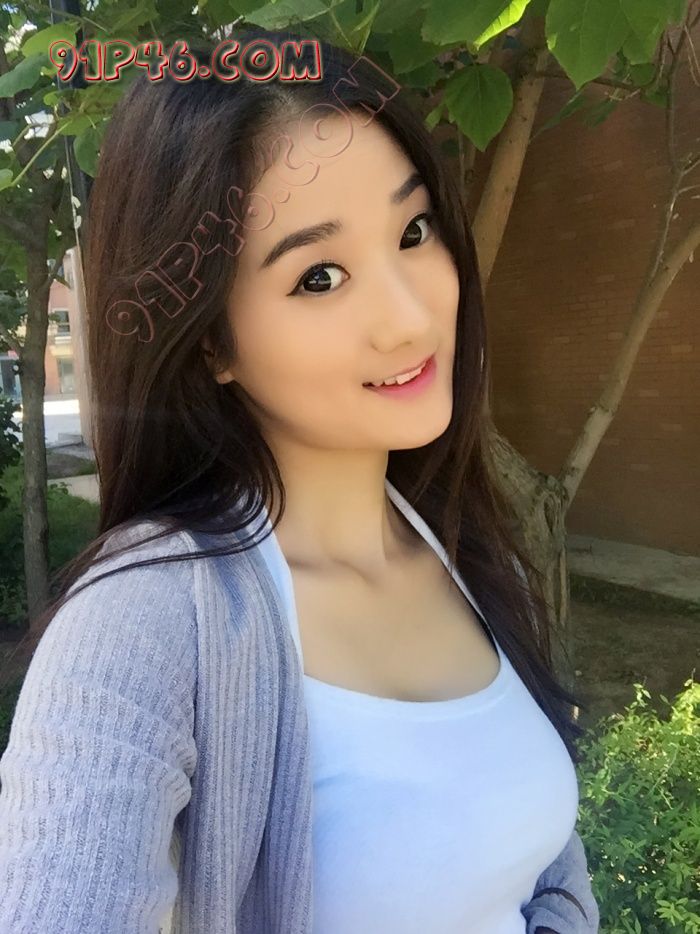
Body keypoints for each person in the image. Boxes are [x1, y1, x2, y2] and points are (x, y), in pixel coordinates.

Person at [0, 26, 600, 934]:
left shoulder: (465, 548)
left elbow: (548, 879)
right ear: (210, 340)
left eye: (414, 231)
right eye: (320, 276)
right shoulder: (145, 625)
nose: (410, 316)